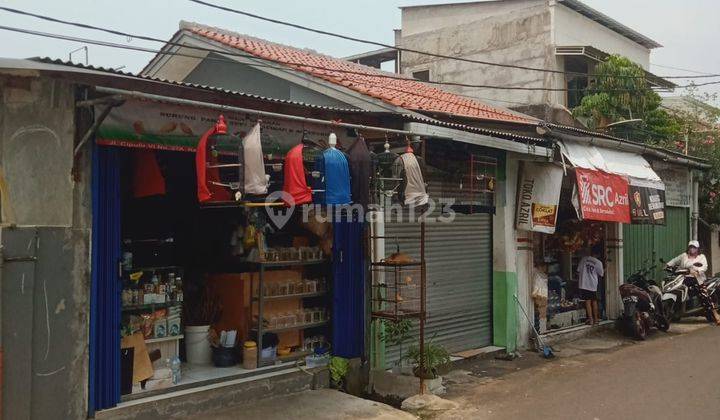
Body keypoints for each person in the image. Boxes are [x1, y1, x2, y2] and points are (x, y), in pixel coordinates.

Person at [666, 240, 720, 325]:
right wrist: (667, 265)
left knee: (703, 294)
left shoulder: (701, 257)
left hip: (697, 279)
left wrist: (697, 271)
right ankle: (676, 311)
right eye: (691, 247)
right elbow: (674, 260)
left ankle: (715, 315)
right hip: (683, 278)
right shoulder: (684, 256)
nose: (692, 249)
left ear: (697, 249)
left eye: (694, 247)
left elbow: (704, 267)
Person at [578, 249, 604, 325]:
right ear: (598, 254)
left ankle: (590, 319)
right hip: (593, 285)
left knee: (588, 302)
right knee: (594, 301)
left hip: (584, 284)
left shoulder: (584, 259)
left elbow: (578, 270)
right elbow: (601, 274)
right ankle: (596, 319)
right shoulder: (598, 262)